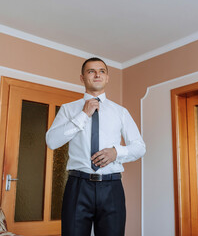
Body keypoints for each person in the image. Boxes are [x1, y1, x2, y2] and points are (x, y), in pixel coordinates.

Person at [46, 57, 146, 236]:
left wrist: (117, 152)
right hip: (78, 186)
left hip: (112, 187)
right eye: (91, 71)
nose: (97, 74)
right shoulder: (69, 109)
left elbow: (140, 147)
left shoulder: (120, 112)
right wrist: (83, 116)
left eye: (102, 71)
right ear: (82, 78)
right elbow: (52, 141)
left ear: (107, 78)